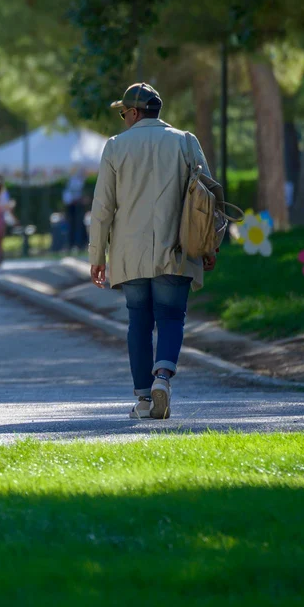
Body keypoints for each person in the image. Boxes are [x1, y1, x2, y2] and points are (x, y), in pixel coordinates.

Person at [89, 82, 212, 421]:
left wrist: (97, 256)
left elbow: (102, 207)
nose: (123, 118)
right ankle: (163, 378)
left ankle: (144, 399)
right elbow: (207, 199)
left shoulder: (115, 147)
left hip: (130, 253)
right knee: (171, 316)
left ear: (133, 112)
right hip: (177, 248)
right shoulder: (186, 141)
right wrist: (208, 245)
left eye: (123, 113)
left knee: (139, 322)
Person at [62, 172, 89, 252]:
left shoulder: (79, 181)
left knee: (80, 225)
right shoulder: (71, 183)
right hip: (72, 209)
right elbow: (68, 199)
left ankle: (81, 244)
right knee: (72, 226)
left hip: (78, 208)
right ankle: (72, 245)